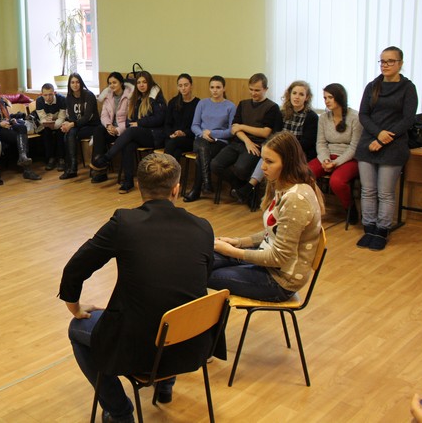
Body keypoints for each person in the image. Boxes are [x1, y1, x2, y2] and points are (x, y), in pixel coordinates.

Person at [60, 153, 215, 423]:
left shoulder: (124, 223)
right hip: (192, 345)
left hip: (139, 348)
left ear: (139, 186)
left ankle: (120, 412)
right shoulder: (203, 228)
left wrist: (75, 308)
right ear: (176, 189)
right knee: (172, 307)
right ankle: (165, 386)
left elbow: (76, 268)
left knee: (77, 329)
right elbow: (198, 281)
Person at [209, 132, 324, 301]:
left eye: (269, 162)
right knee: (205, 258)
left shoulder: (296, 199)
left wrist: (233, 251)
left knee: (206, 274)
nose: (263, 167)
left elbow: (279, 258)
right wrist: (238, 242)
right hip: (268, 260)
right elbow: (274, 232)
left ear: (288, 163)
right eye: (263, 160)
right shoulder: (284, 186)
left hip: (280, 280)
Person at [355, 46, 418, 250]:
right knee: (368, 190)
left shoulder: (408, 88)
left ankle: (382, 230)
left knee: (385, 193)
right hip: (368, 144)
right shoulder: (373, 86)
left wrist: (383, 139)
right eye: (382, 61)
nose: (385, 65)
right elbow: (363, 115)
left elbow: (408, 119)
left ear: (400, 63)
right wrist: (378, 133)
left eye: (390, 61)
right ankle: (369, 228)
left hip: (393, 146)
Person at [231, 80, 319, 205]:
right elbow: (275, 134)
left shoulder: (311, 116)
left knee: (274, 161)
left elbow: (307, 142)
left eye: (301, 94)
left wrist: (286, 149)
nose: (297, 97)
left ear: (307, 97)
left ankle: (250, 188)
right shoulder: (282, 113)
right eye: (294, 93)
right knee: (268, 158)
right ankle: (262, 194)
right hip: (280, 150)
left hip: (299, 152)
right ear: (289, 95)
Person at [91, 71, 165, 193]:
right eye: (139, 82)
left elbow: (159, 119)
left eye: (144, 82)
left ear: (149, 83)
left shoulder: (156, 97)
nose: (141, 85)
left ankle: (107, 157)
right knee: (128, 145)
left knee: (131, 131)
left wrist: (139, 123)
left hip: (154, 135)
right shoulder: (136, 98)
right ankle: (128, 181)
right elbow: (129, 119)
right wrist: (129, 124)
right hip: (139, 134)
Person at [210, 73, 282, 196]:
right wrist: (247, 141)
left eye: (257, 90)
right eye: (251, 89)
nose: (253, 93)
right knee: (215, 165)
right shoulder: (243, 104)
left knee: (241, 169)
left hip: (257, 145)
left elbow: (266, 132)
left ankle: (244, 191)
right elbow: (234, 128)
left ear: (266, 89)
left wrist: (242, 127)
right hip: (240, 142)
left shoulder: (272, 107)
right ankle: (242, 188)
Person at [308, 83, 362, 223]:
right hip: (327, 156)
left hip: (349, 158)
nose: (327, 101)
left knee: (337, 182)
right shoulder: (323, 118)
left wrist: (336, 163)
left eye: (330, 97)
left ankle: (350, 208)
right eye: (325, 98)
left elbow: (354, 147)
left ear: (340, 97)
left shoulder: (355, 117)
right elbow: (320, 143)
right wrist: (325, 160)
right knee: (305, 174)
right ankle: (311, 208)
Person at [183, 76, 236, 202]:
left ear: (224, 88)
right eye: (212, 87)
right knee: (203, 147)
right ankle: (206, 182)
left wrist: (213, 133)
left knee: (201, 157)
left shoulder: (230, 106)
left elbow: (231, 131)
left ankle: (198, 189)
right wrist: (203, 134)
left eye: (218, 87)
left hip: (219, 142)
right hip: (201, 139)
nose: (215, 90)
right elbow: (194, 125)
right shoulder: (202, 103)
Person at [0, 79, 41, 180]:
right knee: (21, 138)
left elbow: (7, 116)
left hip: (7, 125)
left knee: (22, 127)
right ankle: (27, 169)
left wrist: (15, 117)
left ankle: (23, 158)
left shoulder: (1, 100)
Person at [90, 72, 132, 184]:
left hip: (124, 132)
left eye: (114, 82)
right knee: (98, 130)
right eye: (110, 83)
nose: (112, 85)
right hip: (111, 129)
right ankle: (101, 168)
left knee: (101, 135)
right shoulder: (108, 96)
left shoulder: (129, 97)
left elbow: (130, 119)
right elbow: (104, 115)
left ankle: (99, 168)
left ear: (121, 83)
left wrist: (117, 129)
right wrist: (108, 126)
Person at [59, 73, 100, 180]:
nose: (75, 85)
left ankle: (71, 168)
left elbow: (87, 117)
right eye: (72, 82)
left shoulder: (89, 95)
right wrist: (66, 125)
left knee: (70, 134)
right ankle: (71, 166)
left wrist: (72, 124)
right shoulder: (69, 97)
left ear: (81, 83)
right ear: (69, 84)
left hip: (92, 126)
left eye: (77, 82)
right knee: (68, 133)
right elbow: (72, 117)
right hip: (78, 126)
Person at [163, 73, 200, 161]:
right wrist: (171, 134)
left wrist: (183, 133)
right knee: (176, 152)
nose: (183, 88)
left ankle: (162, 166)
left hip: (189, 139)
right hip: (173, 138)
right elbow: (167, 124)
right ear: (178, 87)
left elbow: (198, 126)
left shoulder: (198, 103)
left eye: (186, 85)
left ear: (191, 86)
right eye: (180, 86)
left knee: (173, 143)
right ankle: (172, 170)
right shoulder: (173, 102)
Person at [34, 83, 67, 173]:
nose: (48, 97)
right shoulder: (39, 101)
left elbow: (62, 118)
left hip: (59, 123)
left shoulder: (62, 99)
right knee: (46, 132)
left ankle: (61, 158)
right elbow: (42, 118)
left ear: (54, 93)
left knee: (61, 131)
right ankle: (50, 158)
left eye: (50, 94)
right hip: (47, 124)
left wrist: (54, 126)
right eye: (45, 95)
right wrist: (47, 123)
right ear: (41, 94)